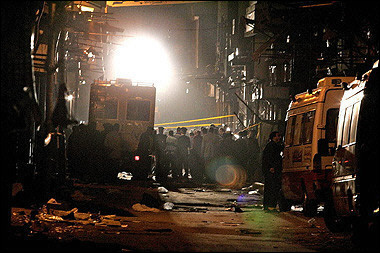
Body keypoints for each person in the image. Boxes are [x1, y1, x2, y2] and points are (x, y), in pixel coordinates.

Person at [261, 131, 284, 211]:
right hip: (271, 170)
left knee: (270, 188)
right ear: (273, 137)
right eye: (278, 136)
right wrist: (271, 167)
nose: (279, 138)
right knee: (272, 188)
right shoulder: (271, 146)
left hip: (271, 170)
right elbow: (269, 158)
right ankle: (270, 206)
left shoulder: (272, 145)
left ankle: (268, 206)